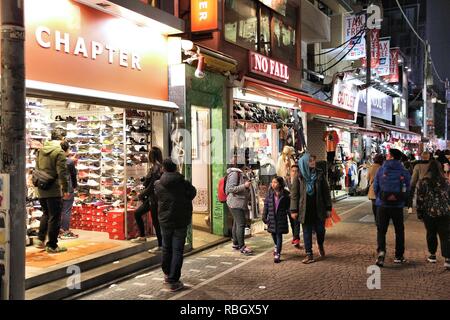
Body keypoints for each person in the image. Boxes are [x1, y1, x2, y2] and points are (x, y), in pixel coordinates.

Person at [154, 158, 197, 292]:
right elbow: (192, 193)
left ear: (163, 169)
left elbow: (158, 198)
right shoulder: (183, 183)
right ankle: (173, 279)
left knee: (167, 248)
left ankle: (167, 274)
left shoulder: (157, 184)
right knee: (178, 250)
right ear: (176, 168)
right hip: (180, 220)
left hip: (165, 220)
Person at [290, 154, 332, 264]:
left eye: (314, 161)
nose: (313, 163)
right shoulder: (299, 176)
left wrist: (328, 208)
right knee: (307, 233)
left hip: (319, 208)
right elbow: (294, 195)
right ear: (304, 163)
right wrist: (294, 210)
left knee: (320, 230)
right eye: (310, 161)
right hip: (305, 209)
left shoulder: (319, 174)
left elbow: (326, 192)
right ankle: (309, 254)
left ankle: (320, 243)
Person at [34, 128, 70, 253]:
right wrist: (65, 189)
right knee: (55, 216)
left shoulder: (41, 150)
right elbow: (62, 172)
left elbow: (37, 169)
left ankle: (40, 239)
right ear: (62, 138)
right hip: (53, 188)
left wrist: (37, 183)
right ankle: (52, 245)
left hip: (41, 186)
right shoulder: (59, 151)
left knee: (46, 213)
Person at [373, 148, 411, 267]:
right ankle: (399, 256)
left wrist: (380, 197)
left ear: (392, 156)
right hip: (397, 205)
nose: (387, 156)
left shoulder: (381, 169)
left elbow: (375, 186)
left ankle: (381, 253)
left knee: (381, 230)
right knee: (399, 230)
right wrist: (402, 199)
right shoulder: (404, 171)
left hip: (382, 205)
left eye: (388, 155)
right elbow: (408, 188)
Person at [416, 160, 450, 270]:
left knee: (431, 233)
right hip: (444, 212)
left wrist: (419, 212)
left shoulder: (423, 182)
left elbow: (420, 198)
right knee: (445, 235)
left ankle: (432, 255)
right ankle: (447, 259)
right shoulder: (445, 181)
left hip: (429, 212)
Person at [130, 147, 163, 253]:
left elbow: (152, 186)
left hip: (154, 199)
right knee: (138, 213)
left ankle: (161, 246)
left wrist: (141, 195)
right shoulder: (156, 167)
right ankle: (142, 236)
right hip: (151, 198)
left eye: (149, 154)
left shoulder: (156, 168)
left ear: (152, 155)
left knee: (156, 222)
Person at [225, 162, 253, 255]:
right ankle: (242, 247)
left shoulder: (239, 173)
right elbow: (230, 188)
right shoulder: (235, 174)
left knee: (237, 223)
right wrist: (244, 186)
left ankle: (236, 243)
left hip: (238, 202)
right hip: (235, 203)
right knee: (241, 224)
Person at [263, 177, 290, 263]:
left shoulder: (286, 194)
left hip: (281, 218)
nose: (273, 184)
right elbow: (266, 205)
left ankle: (277, 253)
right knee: (273, 234)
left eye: (275, 182)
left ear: (280, 184)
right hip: (271, 218)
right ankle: (276, 246)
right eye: (272, 182)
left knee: (279, 235)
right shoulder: (269, 194)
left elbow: (288, 207)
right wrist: (264, 216)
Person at [59, 141, 78, 240]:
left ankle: (57, 231)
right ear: (66, 150)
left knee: (58, 210)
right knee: (66, 210)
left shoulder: (56, 160)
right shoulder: (69, 162)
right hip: (68, 188)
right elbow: (73, 175)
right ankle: (65, 231)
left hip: (57, 189)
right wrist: (75, 185)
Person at [287, 165, 301, 248]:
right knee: (292, 222)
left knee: (296, 222)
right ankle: (295, 236)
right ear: (290, 171)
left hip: (297, 205)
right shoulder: (287, 181)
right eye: (293, 171)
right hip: (288, 205)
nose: (294, 172)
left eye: (296, 171)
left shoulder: (300, 181)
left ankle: (296, 238)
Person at [368, 154, 384, 224]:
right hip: (381, 187)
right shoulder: (382, 168)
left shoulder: (371, 167)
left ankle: (376, 220)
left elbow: (368, 178)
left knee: (374, 205)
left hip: (372, 188)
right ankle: (379, 220)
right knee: (380, 205)